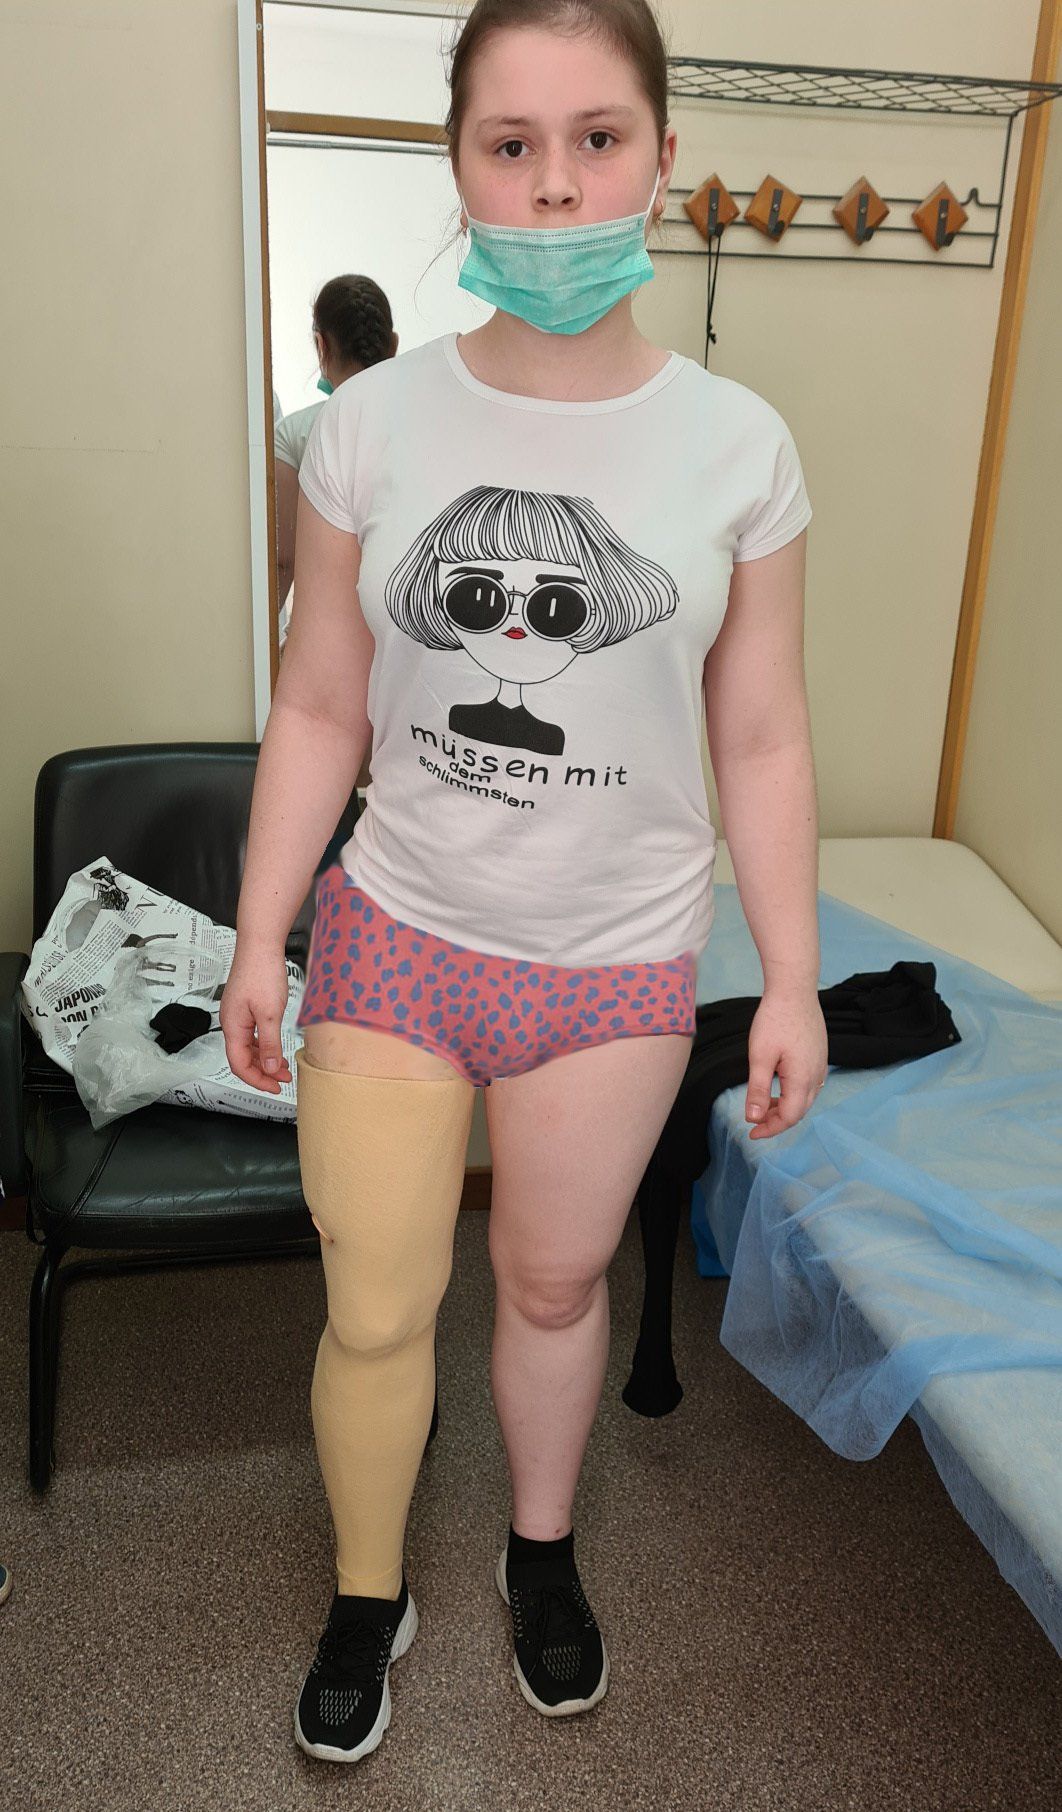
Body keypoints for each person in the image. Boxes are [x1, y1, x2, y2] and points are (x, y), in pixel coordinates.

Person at [220, 0, 829, 1767]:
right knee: (376, 1301)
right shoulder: (368, 425)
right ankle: (366, 1592)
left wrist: (789, 974)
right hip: (399, 936)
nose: (555, 188)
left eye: (595, 139)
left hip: (614, 966)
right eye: (511, 145)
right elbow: (318, 703)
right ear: (461, 165)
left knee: (555, 1288)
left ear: (661, 156)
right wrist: (259, 933)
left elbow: (762, 734)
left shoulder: (740, 446)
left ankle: (538, 1552)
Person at [275, 276, 398, 865]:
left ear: (320, 345)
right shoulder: (422, 427)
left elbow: (283, 556)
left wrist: (272, 648)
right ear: (392, 344)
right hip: (401, 637)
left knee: (327, 795)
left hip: (325, 640)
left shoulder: (300, 430)